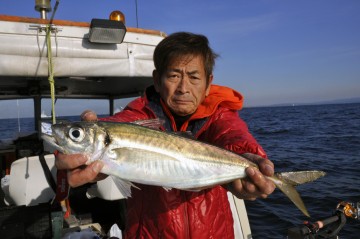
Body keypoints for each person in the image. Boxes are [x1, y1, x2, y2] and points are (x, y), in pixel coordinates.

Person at [56, 32, 275, 238]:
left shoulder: (220, 117)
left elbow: (234, 136)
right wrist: (76, 161)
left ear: (209, 83)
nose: (183, 88)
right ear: (157, 80)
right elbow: (120, 125)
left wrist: (252, 158)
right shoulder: (137, 116)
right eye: (173, 75)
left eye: (194, 77)